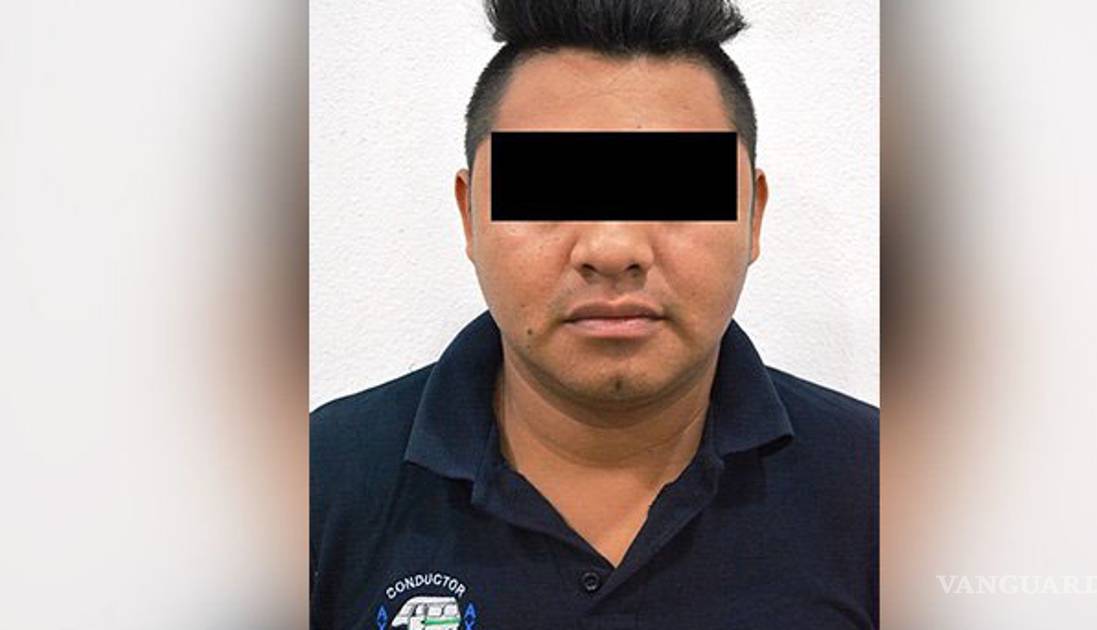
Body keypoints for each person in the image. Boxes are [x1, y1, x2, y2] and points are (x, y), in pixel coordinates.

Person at [311, 1, 878, 628]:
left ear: (754, 215)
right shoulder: (313, 483)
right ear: (470, 215)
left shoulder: (887, 487)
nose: (612, 249)